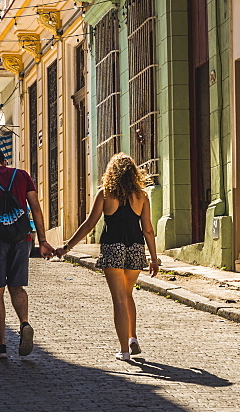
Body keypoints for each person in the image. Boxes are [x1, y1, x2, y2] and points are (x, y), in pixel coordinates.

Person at [56, 152, 159, 362]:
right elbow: (147, 229)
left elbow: (89, 224)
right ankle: (132, 337)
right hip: (136, 248)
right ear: (133, 174)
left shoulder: (105, 194)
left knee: (119, 299)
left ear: (111, 173)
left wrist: (67, 247)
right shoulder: (142, 196)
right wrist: (154, 259)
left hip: (113, 248)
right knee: (128, 294)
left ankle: (124, 351)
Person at [0, 149, 54, 359]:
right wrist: (42, 240)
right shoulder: (21, 175)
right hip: (22, 239)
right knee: (17, 286)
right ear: (5, 162)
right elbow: (36, 208)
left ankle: (0, 344)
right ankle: (24, 322)